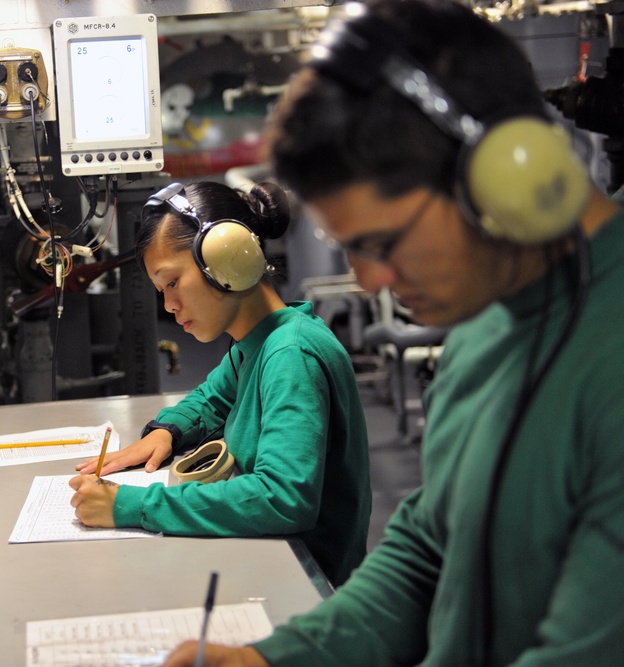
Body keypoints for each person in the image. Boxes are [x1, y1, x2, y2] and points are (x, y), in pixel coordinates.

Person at [163, 0, 624, 665]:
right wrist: (275, 658)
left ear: (501, 180)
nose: (371, 281)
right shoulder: (482, 324)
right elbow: (430, 552)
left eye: (382, 241)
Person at [68, 179, 372, 588]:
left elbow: (281, 498)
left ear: (228, 259)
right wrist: (167, 432)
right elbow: (212, 400)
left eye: (172, 282)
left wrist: (132, 505)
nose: (169, 306)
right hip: (273, 563)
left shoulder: (291, 355)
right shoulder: (257, 342)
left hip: (310, 585)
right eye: (161, 291)